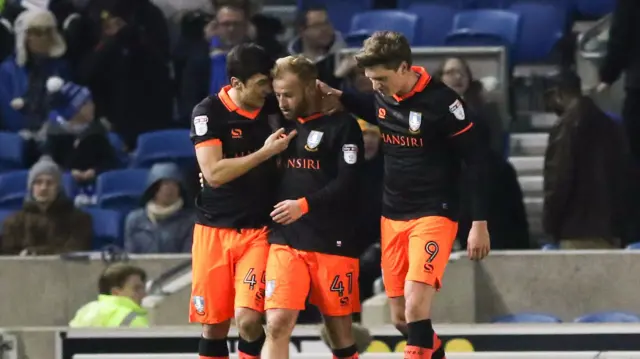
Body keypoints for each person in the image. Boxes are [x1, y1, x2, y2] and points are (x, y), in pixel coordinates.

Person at [317, 31, 491, 359]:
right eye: (370, 80)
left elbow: (476, 162)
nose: (376, 86)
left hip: (433, 212)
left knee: (415, 305)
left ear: (403, 68)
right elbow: (374, 108)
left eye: (381, 78)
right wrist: (341, 95)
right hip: (393, 215)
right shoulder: (383, 96)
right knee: (401, 319)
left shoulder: (444, 103)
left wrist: (478, 222)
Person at [189, 43, 296, 359]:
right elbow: (214, 173)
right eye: (261, 84)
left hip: (258, 229)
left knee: (249, 320)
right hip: (213, 228)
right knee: (213, 326)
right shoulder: (207, 112)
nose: (269, 91)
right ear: (237, 83)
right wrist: (265, 154)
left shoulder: (275, 110)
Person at [263, 55, 364, 359]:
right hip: (286, 239)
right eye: (278, 94)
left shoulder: (343, 126)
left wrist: (304, 205)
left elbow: (349, 183)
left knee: (340, 333)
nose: (282, 102)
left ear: (309, 88)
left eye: (289, 94)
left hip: (333, 240)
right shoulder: (277, 125)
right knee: (278, 324)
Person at [544, 71, 630, 249]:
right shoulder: (611, 126)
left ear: (559, 94)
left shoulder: (565, 127)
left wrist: (550, 224)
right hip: (610, 231)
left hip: (575, 231)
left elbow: (558, 180)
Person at [1, 157, 92, 255]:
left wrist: (34, 252)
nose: (43, 188)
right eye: (38, 182)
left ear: (58, 188)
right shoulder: (14, 222)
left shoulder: (79, 220)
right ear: (31, 187)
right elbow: (6, 256)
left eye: (49, 183)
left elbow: (75, 252)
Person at [124, 162, 194, 254]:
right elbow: (130, 255)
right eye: (165, 184)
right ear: (154, 189)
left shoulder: (190, 221)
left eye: (174, 184)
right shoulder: (135, 220)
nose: (170, 189)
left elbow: (187, 258)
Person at [70, 263, 148, 327]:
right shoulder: (133, 318)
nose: (143, 294)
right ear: (115, 292)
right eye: (136, 288)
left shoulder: (85, 311)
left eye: (142, 288)